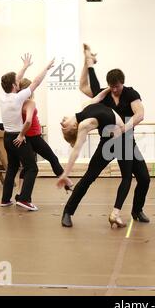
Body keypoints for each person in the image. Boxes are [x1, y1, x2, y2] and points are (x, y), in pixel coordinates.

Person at [79, 44, 151, 224]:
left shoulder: (130, 93)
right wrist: (86, 62)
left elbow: (140, 114)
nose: (114, 90)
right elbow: (83, 85)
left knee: (144, 178)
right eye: (111, 87)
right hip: (108, 143)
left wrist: (123, 128)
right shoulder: (105, 94)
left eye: (117, 86)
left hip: (127, 142)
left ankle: (137, 211)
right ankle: (69, 210)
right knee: (91, 176)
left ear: (122, 83)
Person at [57, 87, 128, 228]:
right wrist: (65, 173)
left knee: (130, 177)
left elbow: (99, 96)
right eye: (64, 126)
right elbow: (76, 150)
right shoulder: (84, 124)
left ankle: (115, 214)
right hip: (110, 142)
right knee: (89, 177)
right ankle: (67, 212)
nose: (63, 122)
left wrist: (110, 87)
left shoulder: (85, 108)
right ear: (73, 127)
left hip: (124, 139)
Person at [0, 54, 54, 211]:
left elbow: (15, 79)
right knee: (31, 168)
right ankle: (24, 199)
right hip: (17, 137)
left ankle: (5, 199)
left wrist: (24, 66)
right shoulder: (18, 98)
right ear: (15, 86)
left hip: (7, 138)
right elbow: (36, 82)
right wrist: (46, 68)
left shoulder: (3, 96)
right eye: (17, 82)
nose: (19, 82)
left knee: (12, 168)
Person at [15, 78, 72, 198]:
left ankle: (19, 193)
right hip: (34, 137)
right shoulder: (28, 102)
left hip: (28, 137)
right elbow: (29, 121)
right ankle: (66, 182)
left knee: (27, 166)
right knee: (52, 158)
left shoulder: (17, 102)